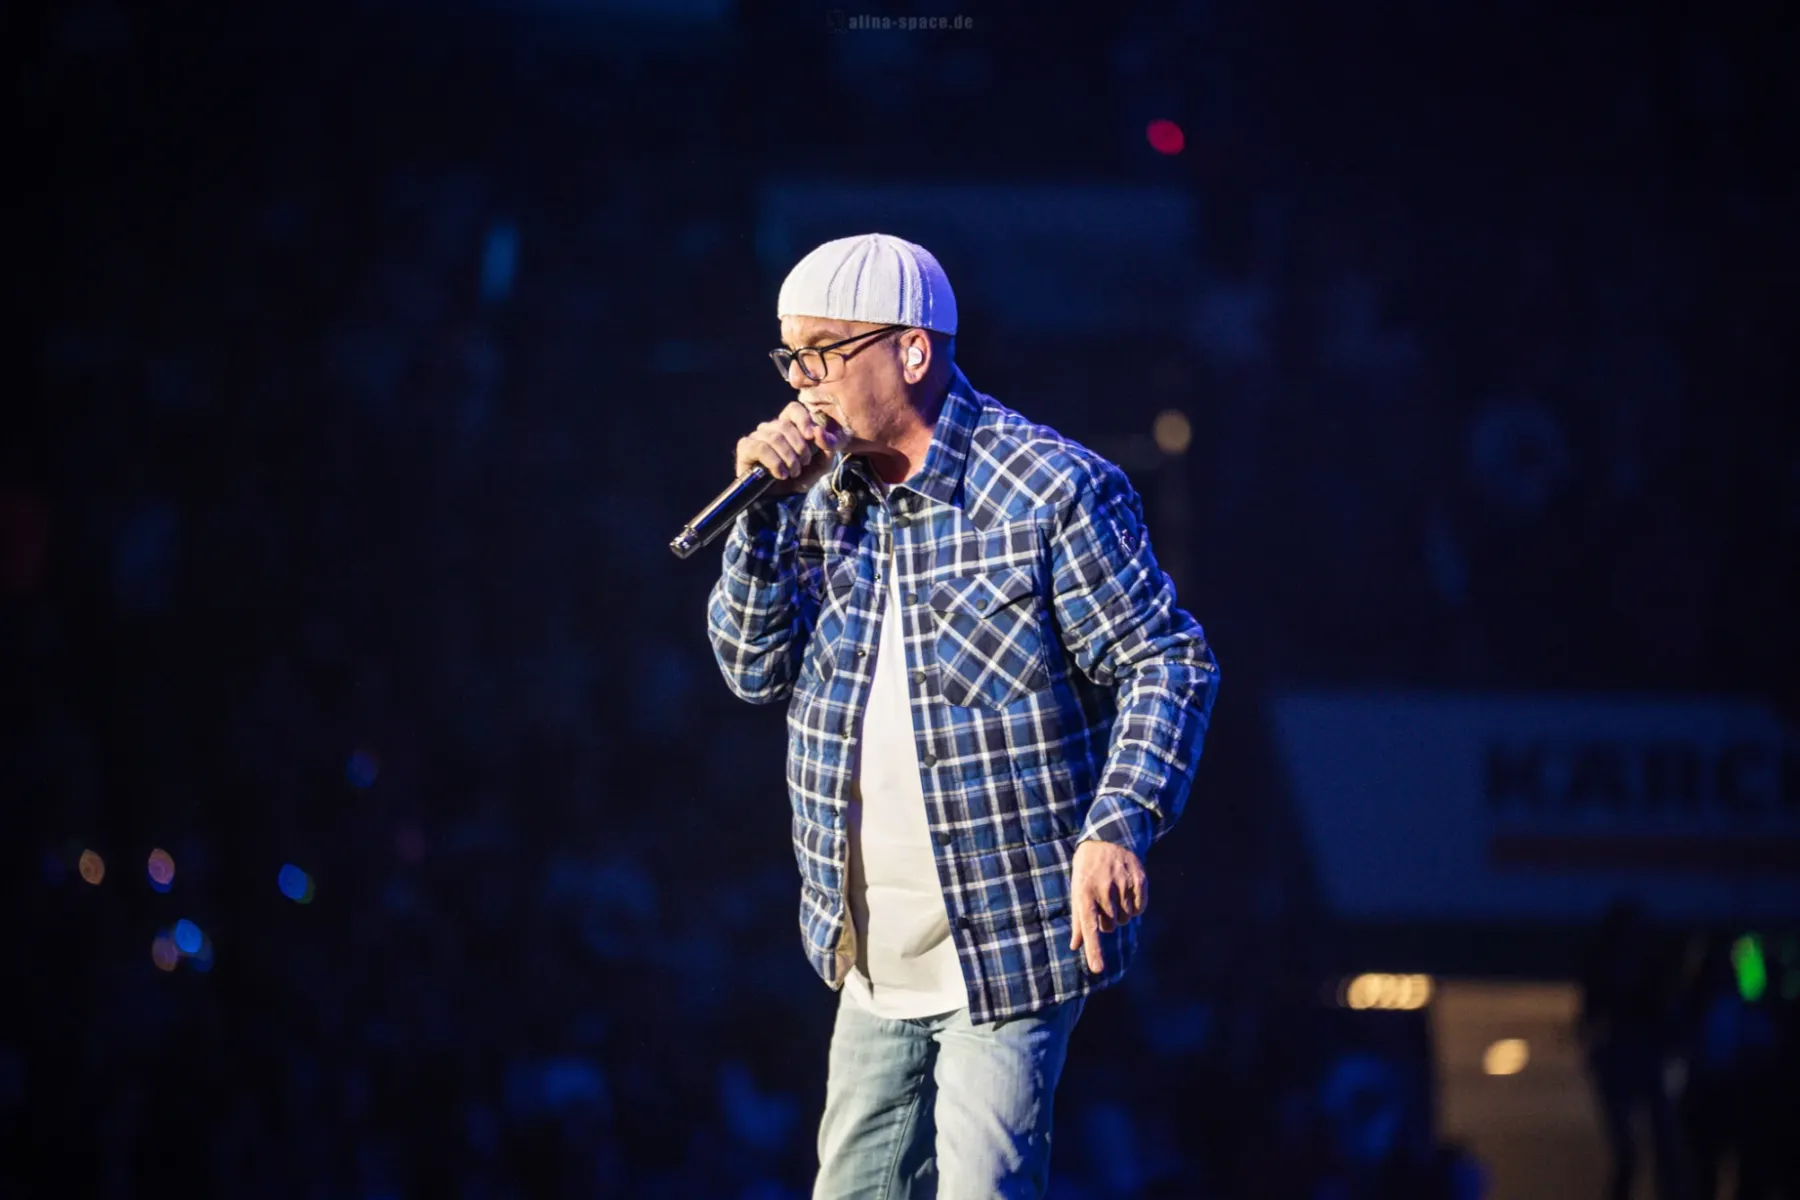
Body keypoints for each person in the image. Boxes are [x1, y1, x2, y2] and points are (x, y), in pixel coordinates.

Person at [705, 232, 1221, 1198]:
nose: (802, 384)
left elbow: (1167, 660)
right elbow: (750, 667)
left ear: (911, 351)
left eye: (822, 353)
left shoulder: (1049, 488)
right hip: (870, 956)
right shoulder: (819, 497)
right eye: (790, 357)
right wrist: (763, 511)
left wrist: (1119, 823)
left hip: (1007, 942)